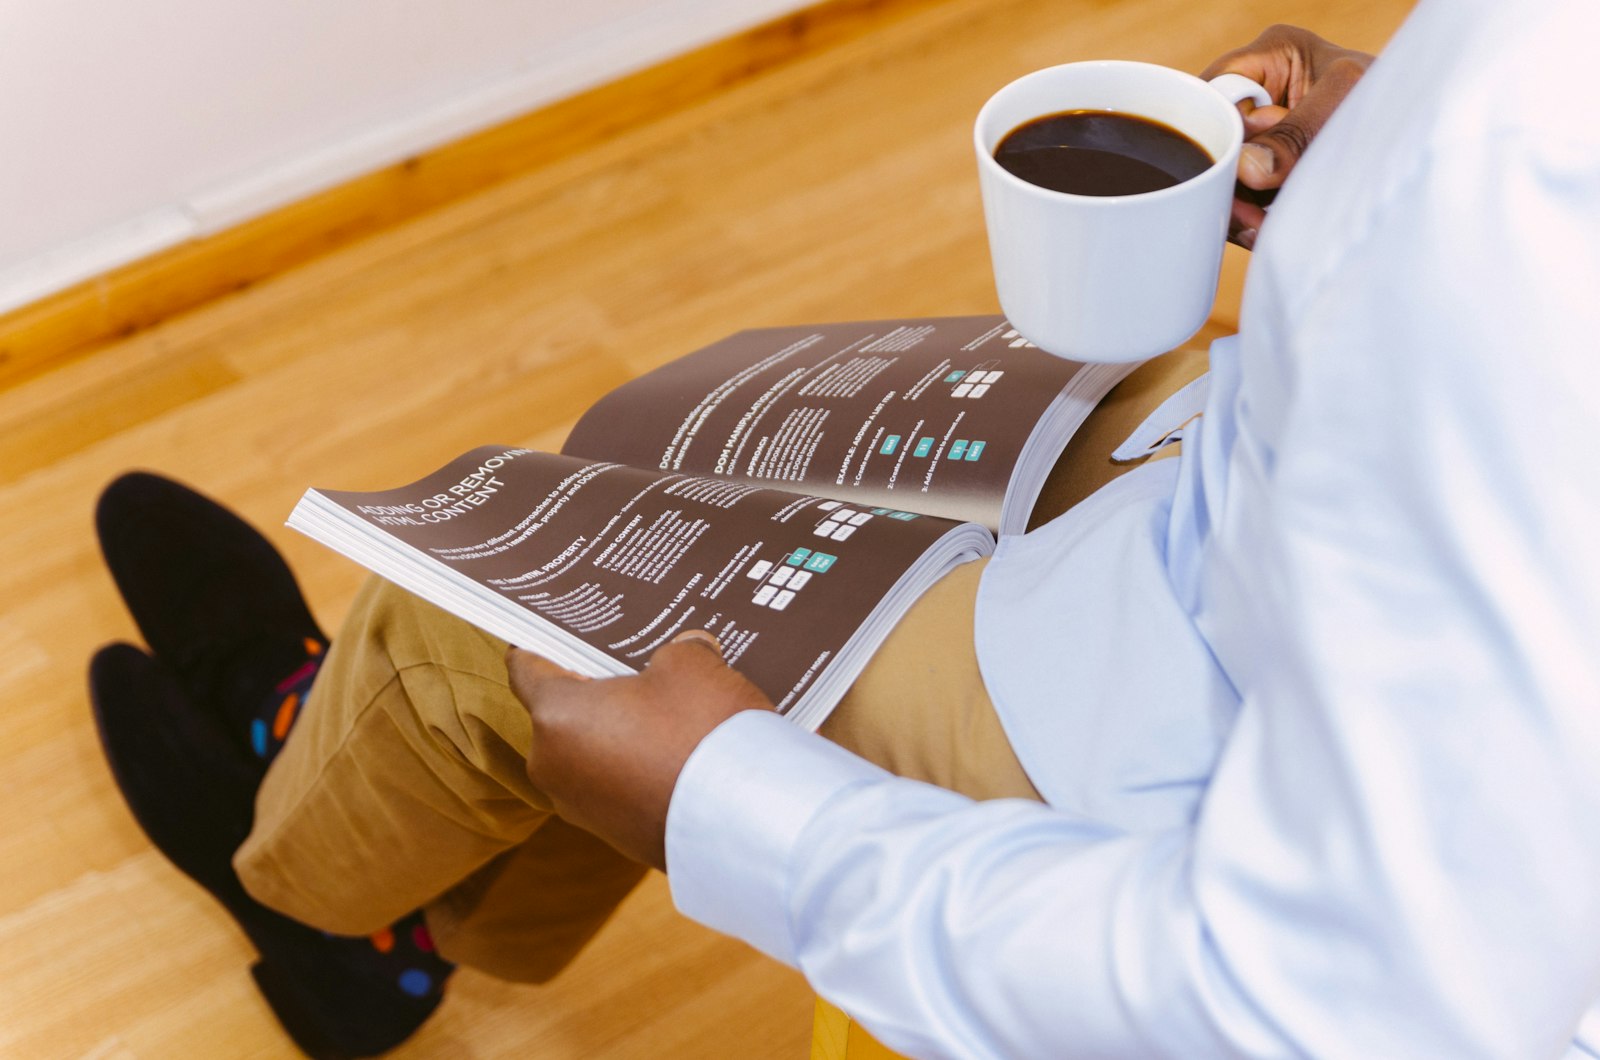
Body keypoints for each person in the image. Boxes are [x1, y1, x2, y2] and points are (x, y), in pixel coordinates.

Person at [89, 1, 1600, 1057]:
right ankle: (420, 901)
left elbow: (1343, 1010)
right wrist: (1407, 127)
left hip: (1185, 733)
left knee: (496, 619)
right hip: (1257, 484)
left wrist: (731, 801)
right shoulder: (1513, 168)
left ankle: (311, 898)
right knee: (695, 470)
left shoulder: (1519, 193)